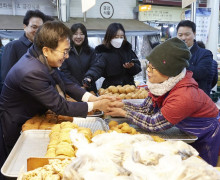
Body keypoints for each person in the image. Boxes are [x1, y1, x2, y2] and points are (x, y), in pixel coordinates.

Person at [0, 21, 118, 163]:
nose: (67, 56)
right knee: (18, 163)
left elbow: (65, 82)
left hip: (31, 117)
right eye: (65, 51)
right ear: (46, 50)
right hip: (17, 124)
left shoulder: (40, 58)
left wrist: (92, 99)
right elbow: (60, 106)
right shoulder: (31, 71)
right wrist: (97, 106)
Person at [106, 37, 220, 166]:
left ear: (169, 71)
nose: (148, 70)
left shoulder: (184, 96)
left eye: (153, 68)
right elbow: (145, 109)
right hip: (184, 132)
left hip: (204, 136)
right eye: (148, 65)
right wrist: (123, 105)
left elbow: (154, 124)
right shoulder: (160, 85)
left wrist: (125, 113)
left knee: (198, 170)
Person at [83, 23, 142, 89]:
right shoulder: (103, 52)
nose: (119, 39)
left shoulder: (128, 50)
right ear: (109, 37)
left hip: (129, 88)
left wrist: (132, 66)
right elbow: (97, 68)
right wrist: (89, 77)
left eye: (121, 37)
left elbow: (138, 67)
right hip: (110, 88)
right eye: (116, 37)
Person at [1, 10, 46, 86]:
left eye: (41, 28)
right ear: (25, 27)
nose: (38, 31)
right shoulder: (13, 46)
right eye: (34, 27)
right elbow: (6, 78)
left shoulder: (42, 48)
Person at [176, 20, 213, 96]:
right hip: (177, 96)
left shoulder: (205, 54)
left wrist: (177, 64)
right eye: (180, 35)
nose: (183, 38)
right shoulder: (174, 53)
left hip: (197, 98)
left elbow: (200, 73)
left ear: (194, 34)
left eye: (187, 34)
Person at [60, 23, 97, 93]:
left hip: (90, 89)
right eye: (75, 34)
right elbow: (65, 72)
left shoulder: (91, 51)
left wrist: (87, 81)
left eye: (81, 34)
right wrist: (78, 87)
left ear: (85, 36)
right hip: (72, 89)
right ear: (70, 35)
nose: (78, 36)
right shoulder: (65, 51)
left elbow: (94, 68)